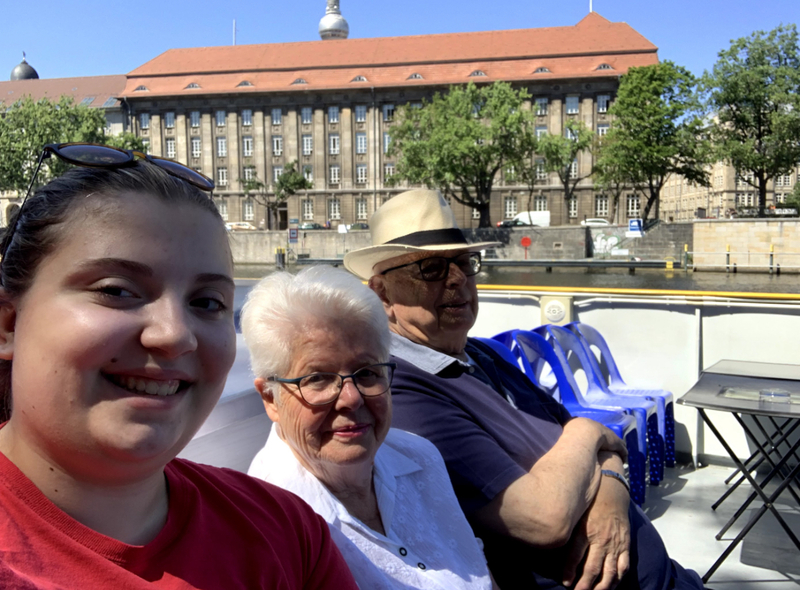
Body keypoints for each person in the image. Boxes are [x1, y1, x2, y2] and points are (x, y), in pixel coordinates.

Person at [0, 144, 357, 589]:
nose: (175, 335)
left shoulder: (289, 532)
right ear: (8, 325)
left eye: (207, 302)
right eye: (116, 290)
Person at [343, 189, 706, 590]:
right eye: (431, 268)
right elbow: (544, 518)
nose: (459, 279)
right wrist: (587, 434)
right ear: (382, 293)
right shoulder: (404, 390)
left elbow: (604, 446)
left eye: (465, 262)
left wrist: (612, 496)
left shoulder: (482, 356)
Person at [241, 265, 496, 590]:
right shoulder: (266, 525)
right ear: (270, 399)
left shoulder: (420, 457)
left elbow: (479, 573)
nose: (351, 398)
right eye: (318, 378)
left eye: (367, 372)